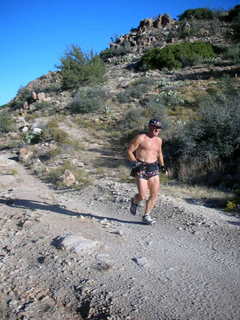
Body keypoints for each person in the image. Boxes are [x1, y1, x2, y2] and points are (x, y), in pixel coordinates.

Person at [127, 119, 167, 225]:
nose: (156, 129)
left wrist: (162, 166)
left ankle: (146, 215)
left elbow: (159, 153)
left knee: (154, 194)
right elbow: (130, 151)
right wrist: (135, 162)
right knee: (143, 195)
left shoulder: (159, 140)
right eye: (154, 127)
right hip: (141, 167)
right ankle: (135, 201)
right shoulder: (141, 138)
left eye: (158, 128)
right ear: (149, 127)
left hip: (154, 168)